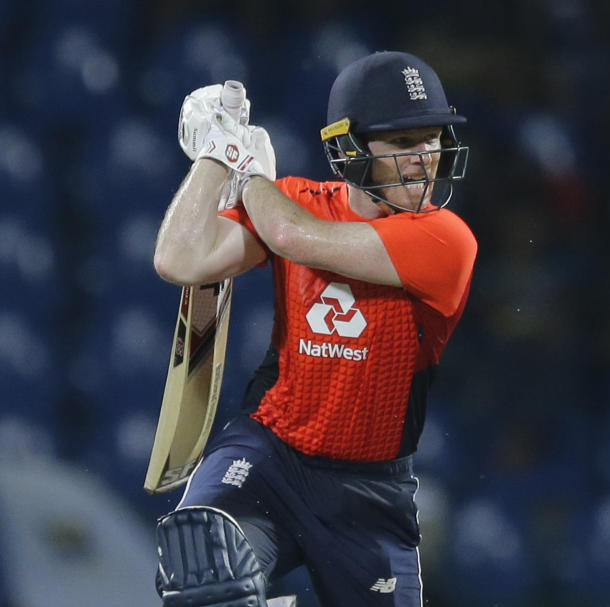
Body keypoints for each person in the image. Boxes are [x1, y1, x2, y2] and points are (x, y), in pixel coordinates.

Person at [151, 51, 477, 607]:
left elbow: (293, 238)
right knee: (204, 564)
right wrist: (214, 154)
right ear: (350, 149)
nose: (425, 158)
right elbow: (179, 260)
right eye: (402, 143)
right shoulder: (296, 201)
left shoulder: (446, 240)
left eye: (432, 139)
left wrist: (249, 173)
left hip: (370, 492)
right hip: (268, 456)